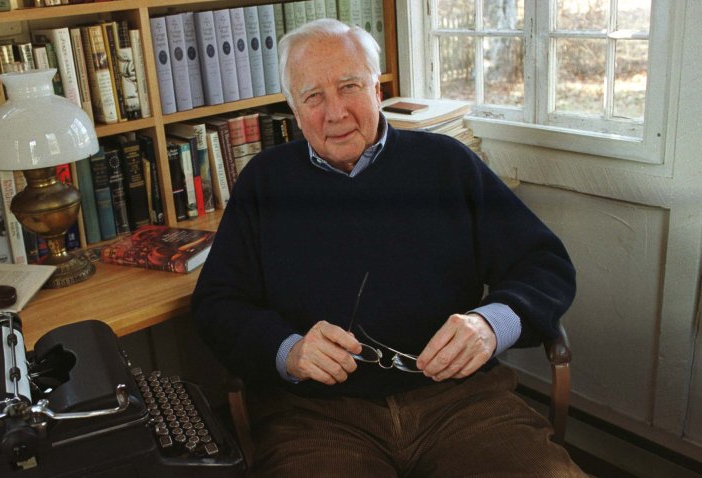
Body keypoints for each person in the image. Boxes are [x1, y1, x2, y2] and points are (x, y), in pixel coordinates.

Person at [192, 18, 583, 477]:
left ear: (377, 90)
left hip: (462, 404)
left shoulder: (447, 163)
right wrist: (288, 350)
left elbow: (544, 264)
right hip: (317, 419)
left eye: (349, 86)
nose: (334, 112)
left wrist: (489, 324)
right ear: (293, 108)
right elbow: (217, 303)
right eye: (313, 96)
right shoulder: (264, 181)